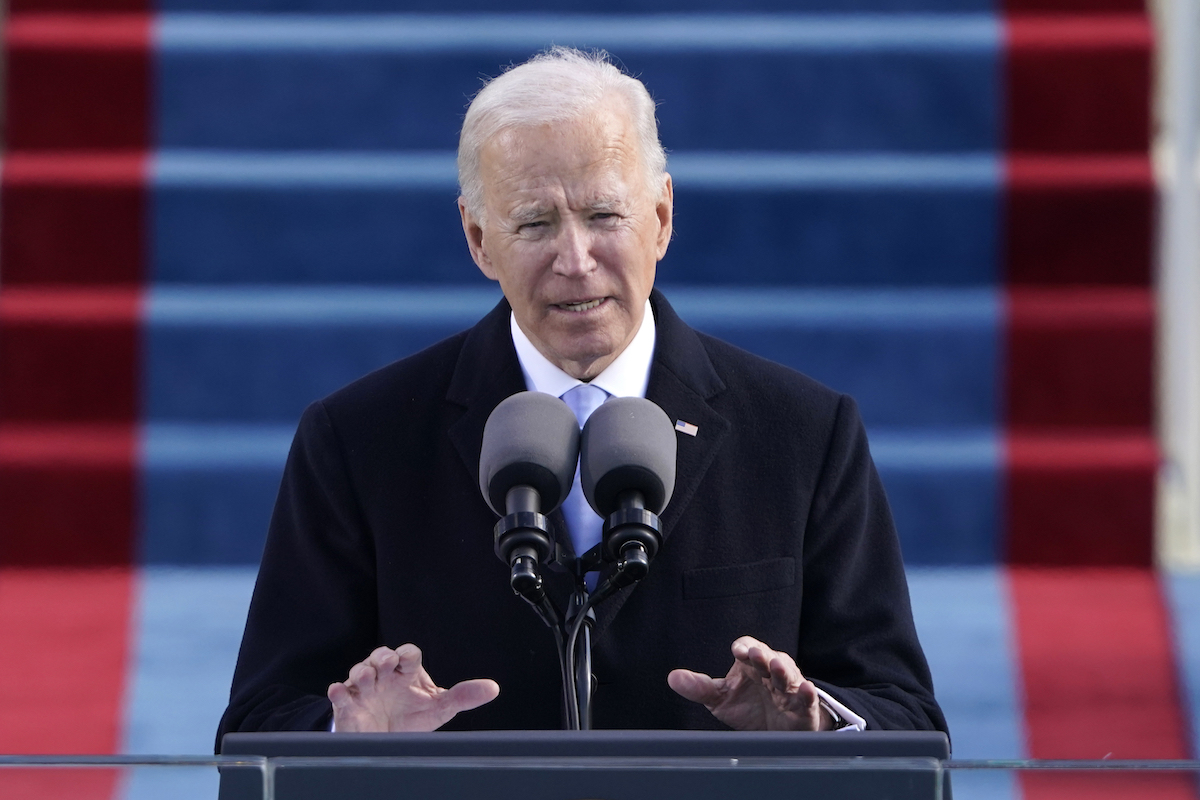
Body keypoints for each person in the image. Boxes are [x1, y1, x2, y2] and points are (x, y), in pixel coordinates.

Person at [217, 47, 946, 745]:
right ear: (477, 238)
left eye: (604, 216)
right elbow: (257, 722)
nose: (575, 260)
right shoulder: (358, 441)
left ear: (660, 217)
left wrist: (814, 723)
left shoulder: (803, 434)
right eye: (534, 223)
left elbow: (906, 717)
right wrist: (351, 736)